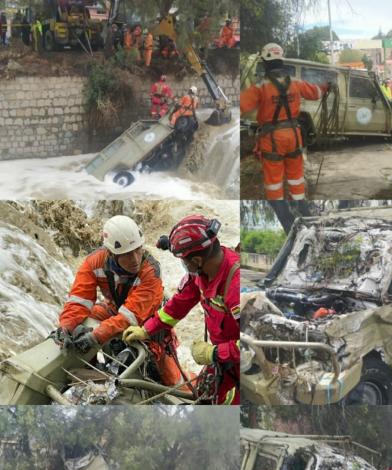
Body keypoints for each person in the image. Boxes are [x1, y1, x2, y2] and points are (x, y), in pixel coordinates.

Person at [122, 215, 240, 405]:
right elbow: (178, 305)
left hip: (247, 363)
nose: (185, 266)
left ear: (198, 260)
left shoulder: (236, 289)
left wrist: (215, 353)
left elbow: (254, 346)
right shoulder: (202, 274)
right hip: (224, 359)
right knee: (204, 395)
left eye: (185, 262)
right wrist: (147, 329)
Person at [54, 215, 182, 386]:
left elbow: (131, 317)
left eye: (138, 250)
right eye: (128, 254)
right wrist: (65, 327)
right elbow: (79, 301)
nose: (135, 259)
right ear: (111, 254)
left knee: (173, 381)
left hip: (148, 324)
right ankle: (89, 368)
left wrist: (95, 337)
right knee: (81, 324)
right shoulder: (94, 263)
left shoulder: (151, 271)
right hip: (115, 310)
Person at [240, 43, 329, 201]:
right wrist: (325, 87)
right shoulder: (295, 83)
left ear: (266, 62)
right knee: (296, 177)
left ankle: (279, 209)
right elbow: (316, 93)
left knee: (274, 182)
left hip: (272, 139)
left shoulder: (261, 87)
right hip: (294, 137)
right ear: (282, 61)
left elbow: (240, 106)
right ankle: (300, 204)